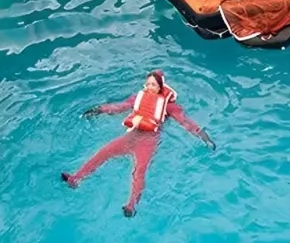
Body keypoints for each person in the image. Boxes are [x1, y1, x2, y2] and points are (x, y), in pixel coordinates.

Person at [62, 71, 215, 217]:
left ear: (160, 87)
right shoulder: (139, 98)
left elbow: (185, 122)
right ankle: (75, 178)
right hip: (131, 137)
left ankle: (132, 205)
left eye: (153, 85)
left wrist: (203, 136)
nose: (149, 87)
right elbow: (120, 107)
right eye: (147, 84)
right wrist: (99, 110)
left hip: (148, 142)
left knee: (139, 171)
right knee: (102, 153)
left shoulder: (169, 106)